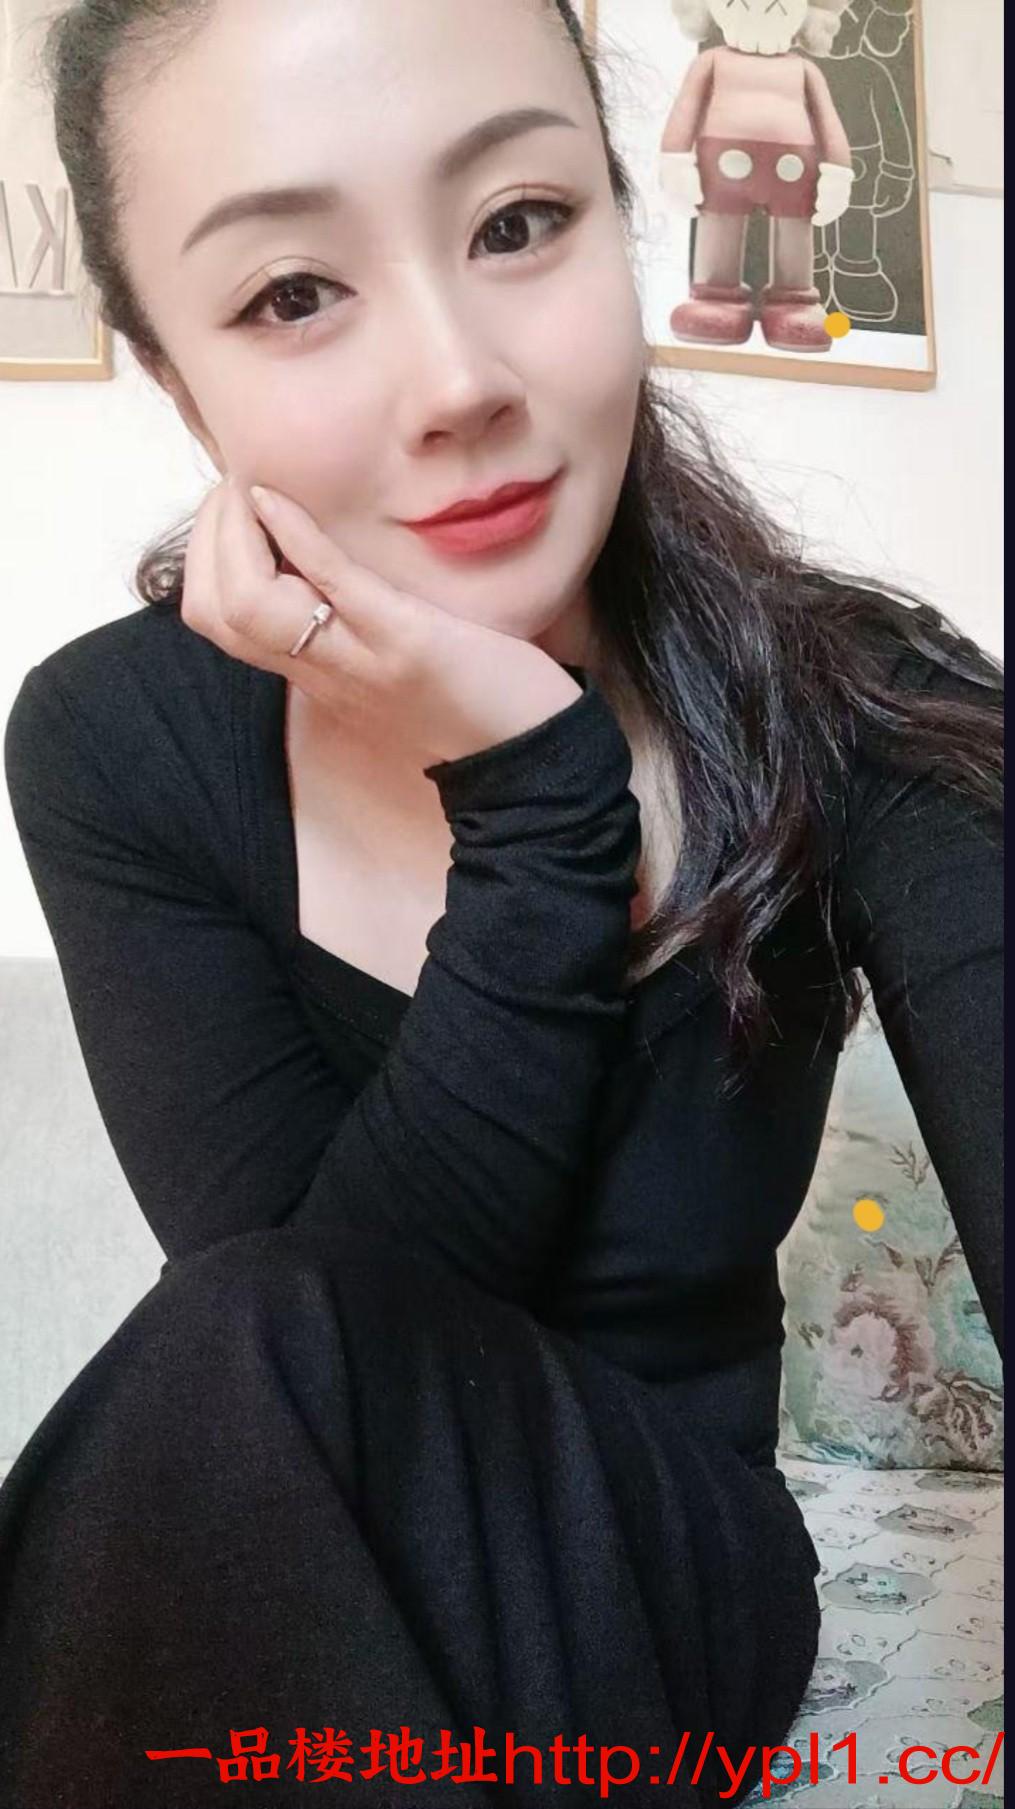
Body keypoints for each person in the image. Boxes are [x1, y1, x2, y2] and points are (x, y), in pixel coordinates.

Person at [0, 1, 1002, 1804]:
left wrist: (535, 790)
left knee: (234, 1337)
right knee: (238, 1338)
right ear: (176, 380)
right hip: (288, 1528)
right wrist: (539, 804)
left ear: (619, 220)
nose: (458, 379)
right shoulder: (111, 743)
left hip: (663, 1577)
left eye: (519, 220)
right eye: (293, 293)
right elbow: (341, 1349)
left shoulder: (860, 708)